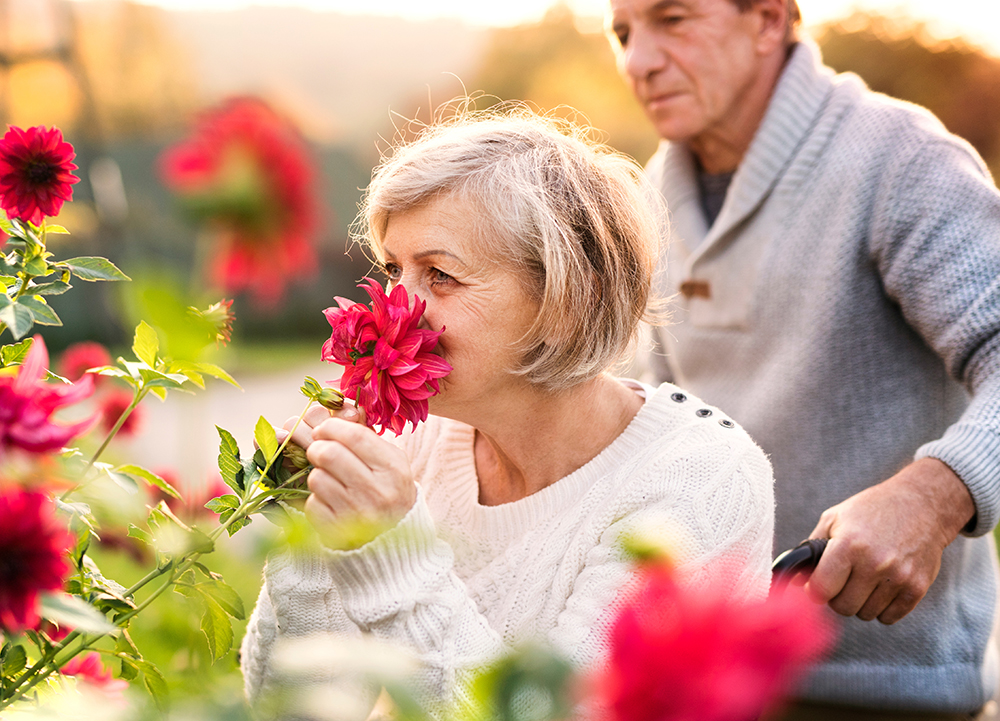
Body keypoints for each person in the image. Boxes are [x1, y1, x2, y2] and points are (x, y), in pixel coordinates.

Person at [238, 109, 775, 719]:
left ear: (568, 302)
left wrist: (396, 555)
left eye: (440, 275)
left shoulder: (699, 484)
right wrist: (308, 539)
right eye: (393, 269)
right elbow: (292, 709)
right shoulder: (414, 441)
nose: (394, 309)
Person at [608, 0, 1000, 717]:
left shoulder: (899, 159)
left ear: (767, 20)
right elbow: (649, 420)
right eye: (624, 32)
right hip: (708, 686)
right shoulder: (649, 193)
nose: (638, 60)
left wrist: (933, 493)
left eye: (673, 19)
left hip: (883, 691)